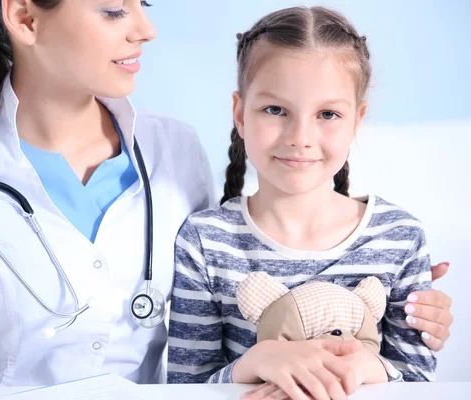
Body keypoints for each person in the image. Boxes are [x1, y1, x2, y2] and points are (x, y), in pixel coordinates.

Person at [0, 1, 452, 399]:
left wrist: (400, 309)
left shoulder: (174, 149)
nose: (146, 30)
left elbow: (245, 278)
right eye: (113, 11)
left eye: (142, 5)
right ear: (26, 18)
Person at [167, 6, 449, 400]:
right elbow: (183, 389)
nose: (300, 136)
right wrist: (255, 362)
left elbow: (419, 384)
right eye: (275, 110)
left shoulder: (400, 237)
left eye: (328, 114)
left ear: (357, 120)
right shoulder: (205, 240)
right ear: (240, 113)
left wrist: (368, 366)